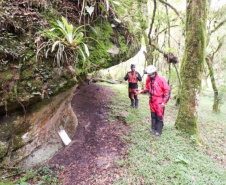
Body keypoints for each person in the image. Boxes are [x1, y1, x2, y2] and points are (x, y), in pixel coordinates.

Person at [138, 65, 170, 137]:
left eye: (150, 74)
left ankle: (158, 131)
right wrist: (141, 91)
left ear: (154, 73)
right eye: (148, 75)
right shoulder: (148, 79)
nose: (149, 76)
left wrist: (164, 101)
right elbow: (148, 89)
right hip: (152, 99)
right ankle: (153, 128)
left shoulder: (161, 79)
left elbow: (167, 90)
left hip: (159, 100)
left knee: (159, 116)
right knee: (153, 115)